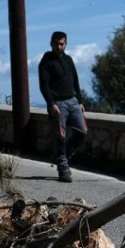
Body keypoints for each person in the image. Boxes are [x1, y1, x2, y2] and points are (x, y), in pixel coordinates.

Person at [38, 30, 87, 182]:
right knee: (60, 137)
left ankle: (62, 156)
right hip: (58, 104)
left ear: (65, 44)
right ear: (51, 43)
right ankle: (63, 169)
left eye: (61, 44)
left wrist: (80, 101)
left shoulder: (68, 60)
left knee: (82, 132)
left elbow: (75, 80)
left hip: (73, 101)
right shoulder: (46, 61)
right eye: (56, 44)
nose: (59, 46)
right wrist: (51, 103)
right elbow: (44, 85)